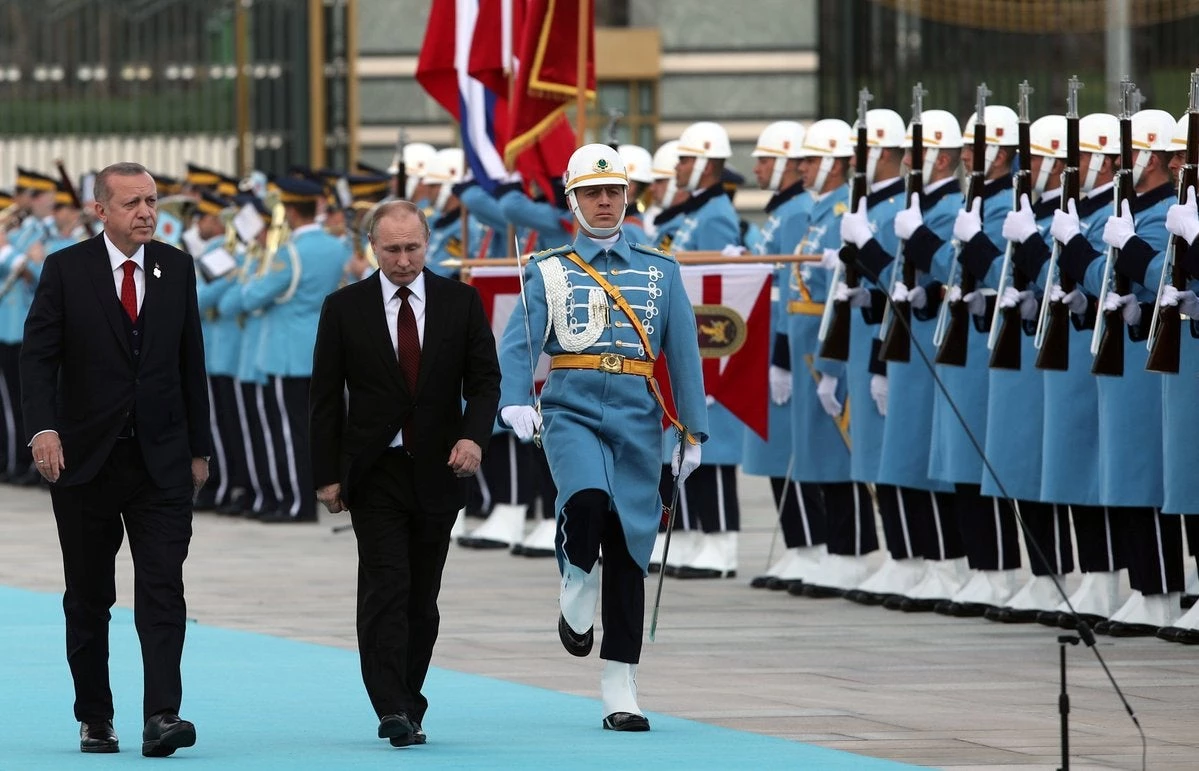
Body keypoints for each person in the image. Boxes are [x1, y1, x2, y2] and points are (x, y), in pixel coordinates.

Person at [497, 143, 708, 731]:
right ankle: (575, 576)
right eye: (592, 193)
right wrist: (514, 400)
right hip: (572, 408)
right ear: (573, 201)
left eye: (613, 191)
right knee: (586, 499)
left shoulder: (661, 269)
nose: (605, 202)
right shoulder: (548, 268)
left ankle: (620, 685)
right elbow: (519, 343)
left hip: (639, 416)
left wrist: (693, 431)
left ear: (627, 197)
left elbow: (684, 357)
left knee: (629, 547)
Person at [20, 161, 212, 757]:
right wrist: (43, 429)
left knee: (163, 589)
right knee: (88, 596)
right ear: (100, 210)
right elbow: (38, 357)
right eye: (132, 203)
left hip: (161, 462)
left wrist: (199, 448)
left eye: (151, 201)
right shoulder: (66, 270)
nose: (147, 212)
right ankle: (95, 717)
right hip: (86, 462)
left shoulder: (176, 268)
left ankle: (162, 715)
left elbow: (191, 361)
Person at [309, 199, 501, 748]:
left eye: (412, 248)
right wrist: (326, 474)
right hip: (375, 472)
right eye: (391, 249)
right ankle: (390, 705)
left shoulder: (460, 302)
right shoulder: (344, 308)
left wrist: (473, 437)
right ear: (372, 247)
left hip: (439, 469)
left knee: (421, 596)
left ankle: (410, 698)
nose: (402, 260)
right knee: (385, 587)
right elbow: (325, 397)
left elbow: (484, 382)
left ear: (427, 243)